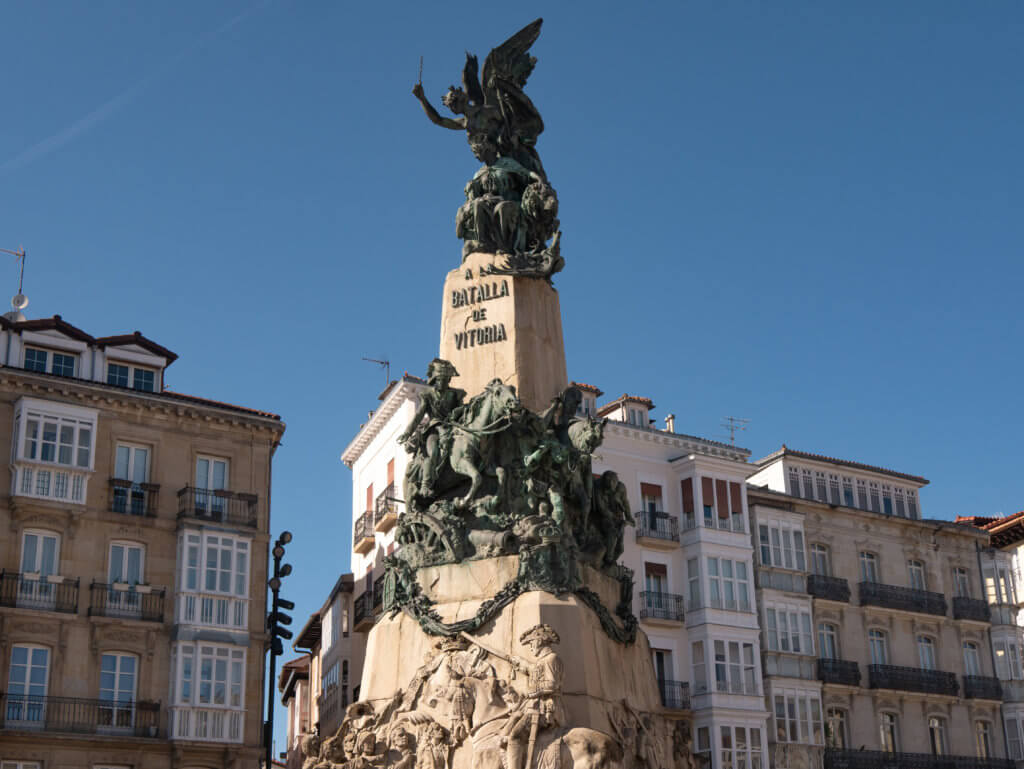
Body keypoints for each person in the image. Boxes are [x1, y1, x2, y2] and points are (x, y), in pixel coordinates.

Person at [399, 359, 466, 501]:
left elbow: (463, 412)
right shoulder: (428, 395)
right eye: (440, 379)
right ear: (435, 379)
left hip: (453, 427)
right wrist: (407, 432)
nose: (443, 382)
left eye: (446, 379)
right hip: (434, 429)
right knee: (433, 451)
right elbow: (419, 415)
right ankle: (425, 485)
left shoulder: (455, 394)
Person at [501, 624, 565, 769]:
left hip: (543, 709)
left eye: (531, 643)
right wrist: (519, 663)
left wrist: (528, 692)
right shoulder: (542, 661)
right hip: (535, 707)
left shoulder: (551, 659)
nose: (530, 647)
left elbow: (551, 684)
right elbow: (534, 670)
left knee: (514, 737)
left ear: (539, 641)